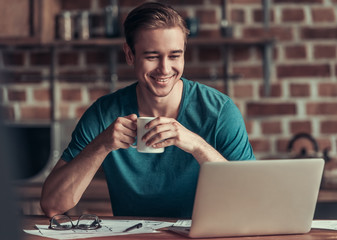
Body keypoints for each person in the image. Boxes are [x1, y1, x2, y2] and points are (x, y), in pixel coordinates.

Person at [40, 2, 255, 218]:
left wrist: (197, 145)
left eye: (174, 56)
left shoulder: (220, 112)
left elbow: (252, 199)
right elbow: (52, 205)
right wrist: (101, 145)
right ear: (130, 54)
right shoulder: (103, 113)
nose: (165, 69)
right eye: (152, 56)